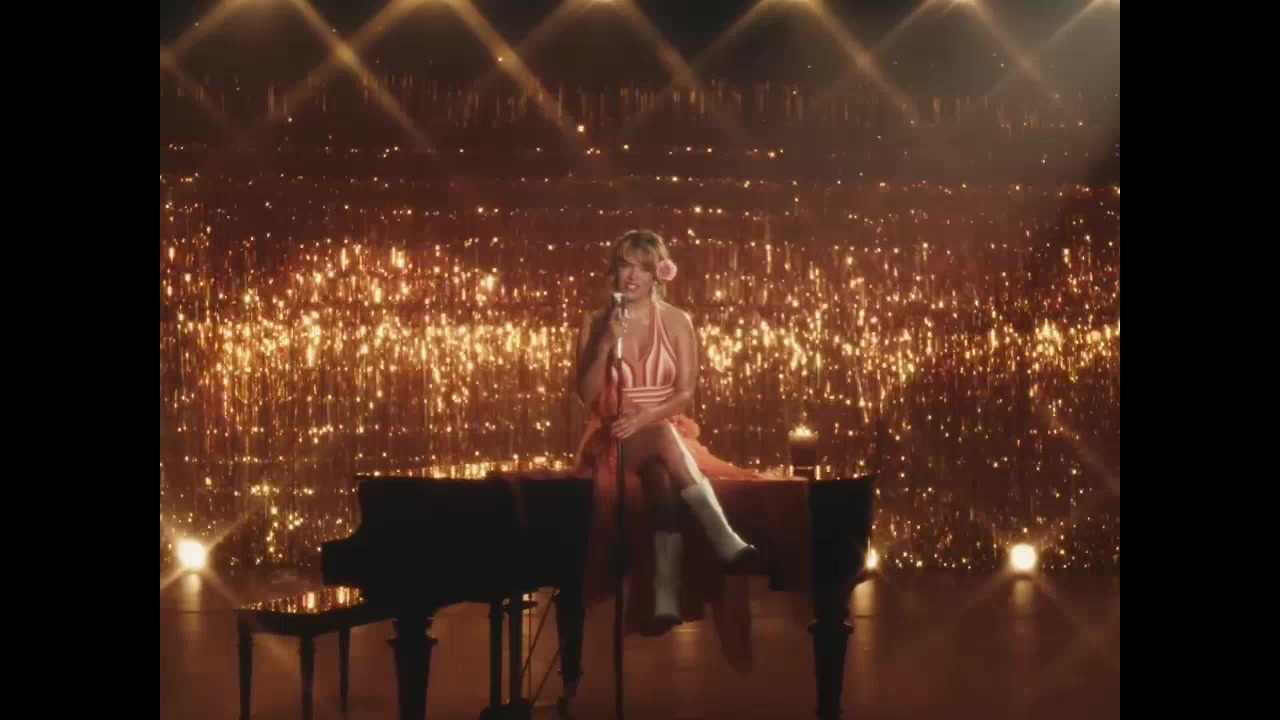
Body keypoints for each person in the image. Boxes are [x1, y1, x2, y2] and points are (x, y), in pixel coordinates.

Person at [570, 229, 765, 677]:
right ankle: (722, 537)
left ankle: (663, 596)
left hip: (662, 430)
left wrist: (646, 418)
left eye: (642, 267)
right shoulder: (594, 321)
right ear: (614, 270)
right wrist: (605, 342)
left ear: (659, 273)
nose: (632, 275)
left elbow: (684, 392)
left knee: (660, 480)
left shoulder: (677, 321)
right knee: (660, 444)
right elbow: (586, 394)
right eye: (625, 265)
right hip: (614, 434)